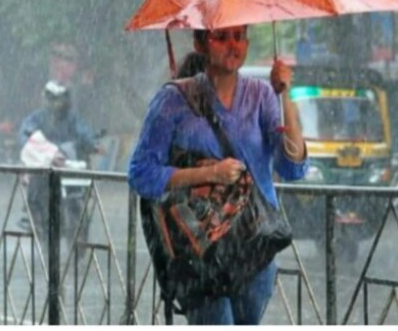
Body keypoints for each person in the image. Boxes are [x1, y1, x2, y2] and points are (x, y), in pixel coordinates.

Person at [128, 25, 309, 325]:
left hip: (254, 246)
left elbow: (293, 167)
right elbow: (141, 174)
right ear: (200, 43)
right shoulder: (173, 101)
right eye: (221, 37)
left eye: (239, 37)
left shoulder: (262, 96)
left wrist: (285, 96)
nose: (232, 46)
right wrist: (209, 173)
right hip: (197, 252)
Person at [18, 80, 99, 245]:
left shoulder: (73, 120)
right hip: (46, 166)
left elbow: (85, 135)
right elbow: (26, 135)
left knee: (81, 193)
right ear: (46, 99)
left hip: (69, 164)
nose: (58, 103)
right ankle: (33, 219)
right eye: (54, 99)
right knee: (35, 191)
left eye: (61, 99)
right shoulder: (36, 119)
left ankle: (78, 232)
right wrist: (41, 149)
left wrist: (92, 144)